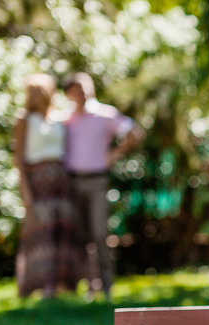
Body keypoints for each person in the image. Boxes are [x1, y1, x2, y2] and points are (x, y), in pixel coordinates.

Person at [62, 72, 143, 300]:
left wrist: (114, 154)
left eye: (83, 88)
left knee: (99, 233)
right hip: (72, 181)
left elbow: (135, 133)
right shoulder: (65, 118)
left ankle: (107, 287)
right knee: (80, 236)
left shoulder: (105, 114)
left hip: (96, 180)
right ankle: (90, 286)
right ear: (68, 94)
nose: (80, 94)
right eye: (75, 90)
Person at [13, 74, 80, 298]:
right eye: (31, 91)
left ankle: (62, 285)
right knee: (41, 233)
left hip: (62, 182)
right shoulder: (24, 119)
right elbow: (18, 158)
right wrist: (25, 191)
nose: (34, 96)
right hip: (38, 182)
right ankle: (37, 286)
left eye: (38, 91)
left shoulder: (60, 118)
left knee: (62, 231)